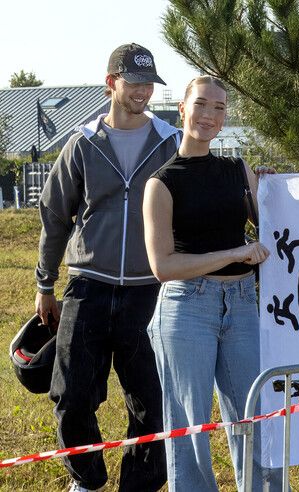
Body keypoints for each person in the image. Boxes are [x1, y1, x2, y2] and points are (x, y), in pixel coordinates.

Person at [35, 43, 179, 491]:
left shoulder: (170, 142)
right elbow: (55, 216)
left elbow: (204, 191)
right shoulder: (82, 144)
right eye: (133, 83)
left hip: (149, 291)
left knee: (151, 404)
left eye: (148, 85)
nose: (142, 93)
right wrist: (45, 284)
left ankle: (138, 486)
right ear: (111, 83)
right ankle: (88, 482)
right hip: (88, 287)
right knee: (72, 395)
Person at [143, 76, 277, 491]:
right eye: (201, 105)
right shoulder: (160, 183)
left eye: (219, 108)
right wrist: (233, 254)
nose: (210, 115)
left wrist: (273, 191)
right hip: (186, 309)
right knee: (190, 428)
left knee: (255, 417)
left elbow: (271, 227)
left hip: (241, 305)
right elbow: (163, 266)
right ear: (181, 110)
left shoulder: (236, 169)